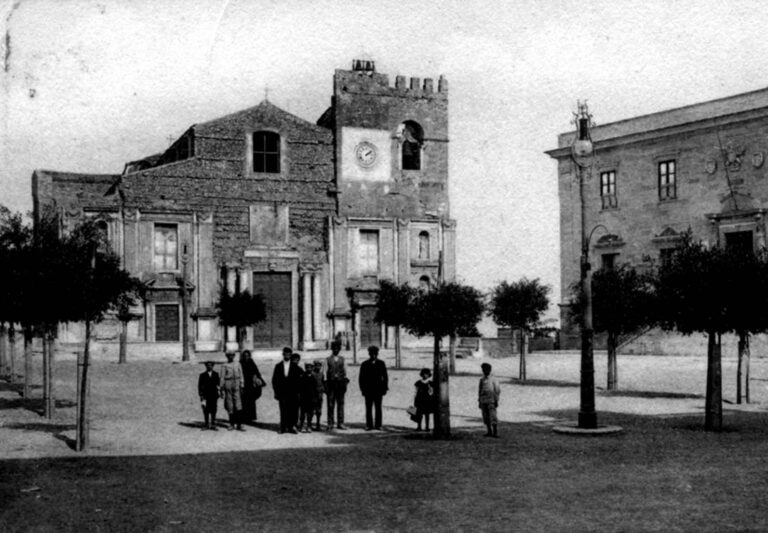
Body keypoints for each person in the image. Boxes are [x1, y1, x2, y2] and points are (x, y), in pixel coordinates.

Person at [271, 347, 302, 434]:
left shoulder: (295, 366)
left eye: (289, 353)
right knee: (283, 409)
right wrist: (276, 392)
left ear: (291, 355)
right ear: (283, 354)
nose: (287, 355)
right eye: (286, 353)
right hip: (282, 392)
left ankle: (292, 426)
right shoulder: (278, 366)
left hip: (293, 392)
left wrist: (298, 391)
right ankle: (283, 427)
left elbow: (300, 379)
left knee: (293, 409)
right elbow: (274, 380)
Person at [359, 345, 389, 430]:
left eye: (375, 354)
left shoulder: (381, 363)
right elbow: (361, 378)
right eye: (371, 354)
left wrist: (385, 388)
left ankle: (378, 425)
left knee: (378, 408)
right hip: (368, 390)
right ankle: (369, 425)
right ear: (369, 354)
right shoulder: (364, 364)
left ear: (377, 354)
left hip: (378, 390)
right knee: (368, 408)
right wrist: (362, 389)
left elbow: (385, 377)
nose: (373, 355)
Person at [325, 339, 348, 430]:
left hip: (340, 384)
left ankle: (340, 423)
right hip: (331, 385)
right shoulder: (327, 360)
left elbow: (346, 373)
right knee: (330, 404)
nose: (335, 350)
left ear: (339, 349)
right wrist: (326, 384)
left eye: (337, 348)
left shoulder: (343, 359)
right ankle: (330, 423)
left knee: (340, 403)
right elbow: (325, 373)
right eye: (334, 348)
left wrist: (344, 382)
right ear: (332, 349)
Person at [220, 351, 245, 431]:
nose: (230, 357)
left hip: (236, 383)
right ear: (227, 356)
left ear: (234, 356)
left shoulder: (238, 364)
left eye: (232, 355)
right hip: (228, 383)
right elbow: (222, 377)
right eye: (229, 355)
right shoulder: (224, 365)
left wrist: (242, 385)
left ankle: (239, 424)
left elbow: (241, 375)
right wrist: (221, 388)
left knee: (238, 404)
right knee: (229, 404)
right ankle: (231, 424)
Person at [239, 350, 265, 423]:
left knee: (251, 401)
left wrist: (259, 379)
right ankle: (244, 417)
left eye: (247, 356)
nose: (246, 357)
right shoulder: (240, 363)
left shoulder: (251, 362)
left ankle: (251, 417)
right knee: (243, 400)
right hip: (244, 383)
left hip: (251, 384)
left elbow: (256, 371)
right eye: (245, 356)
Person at [478, 362, 501, 438]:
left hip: (491, 400)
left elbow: (497, 390)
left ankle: (495, 432)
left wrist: (496, 400)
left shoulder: (493, 379)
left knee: (493, 416)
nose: (485, 371)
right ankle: (489, 431)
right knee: (485, 417)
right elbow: (480, 390)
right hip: (484, 400)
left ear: (490, 370)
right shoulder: (482, 380)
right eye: (483, 369)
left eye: (486, 369)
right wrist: (479, 401)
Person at [198, 361, 220, 430]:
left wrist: (219, 392)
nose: (209, 366)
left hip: (213, 395)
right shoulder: (202, 375)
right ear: (206, 366)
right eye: (207, 365)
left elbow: (218, 384)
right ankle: (206, 424)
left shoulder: (216, 374)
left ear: (213, 366)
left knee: (214, 409)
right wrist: (201, 395)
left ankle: (213, 424)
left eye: (210, 365)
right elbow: (199, 386)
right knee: (206, 410)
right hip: (206, 395)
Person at [298, 362, 317, 432]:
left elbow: (315, 389)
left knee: (310, 413)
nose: (309, 369)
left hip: (311, 398)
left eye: (310, 367)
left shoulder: (313, 377)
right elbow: (299, 388)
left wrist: (315, 398)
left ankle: (309, 425)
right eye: (307, 367)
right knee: (302, 413)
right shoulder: (302, 377)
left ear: (312, 368)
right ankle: (302, 426)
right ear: (305, 368)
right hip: (303, 398)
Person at [413, 368, 433, 432]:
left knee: (427, 414)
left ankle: (427, 427)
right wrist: (414, 399)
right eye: (424, 374)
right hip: (420, 400)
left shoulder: (430, 383)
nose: (425, 375)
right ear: (422, 375)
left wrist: (430, 388)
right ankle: (419, 426)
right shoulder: (418, 382)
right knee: (419, 414)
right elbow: (415, 391)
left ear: (429, 375)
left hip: (427, 400)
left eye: (427, 374)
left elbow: (431, 392)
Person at [311, 360, 325, 431]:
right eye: (316, 365)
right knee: (311, 409)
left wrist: (323, 390)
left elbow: (323, 382)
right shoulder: (312, 374)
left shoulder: (322, 374)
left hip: (320, 394)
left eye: (319, 365)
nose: (318, 367)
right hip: (313, 394)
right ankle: (309, 424)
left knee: (319, 410)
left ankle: (318, 424)